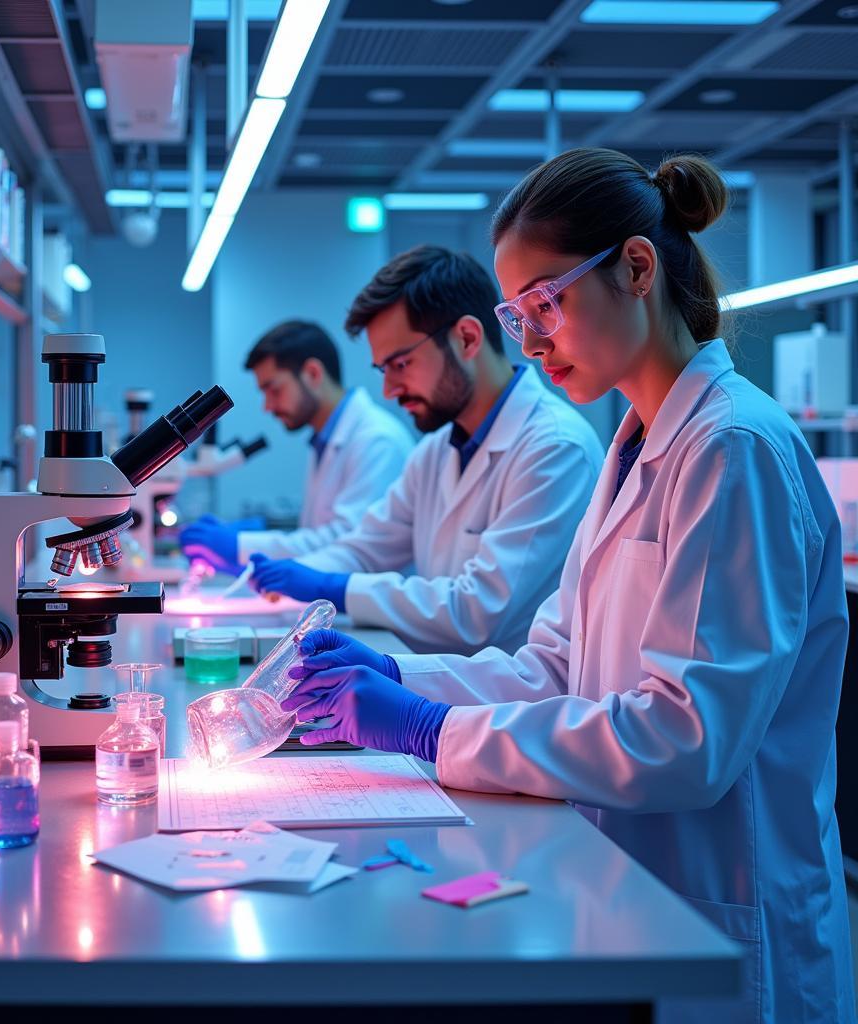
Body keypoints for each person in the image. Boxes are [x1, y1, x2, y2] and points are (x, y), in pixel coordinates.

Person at [282, 150, 856, 1023]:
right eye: (519, 315)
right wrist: (403, 682)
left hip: (727, 907)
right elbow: (556, 663)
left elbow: (687, 737)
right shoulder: (636, 443)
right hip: (630, 883)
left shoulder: (733, 447)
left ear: (636, 268)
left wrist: (433, 731)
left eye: (547, 303)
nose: (534, 339)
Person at [249, 245, 603, 655]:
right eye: (384, 370)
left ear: (467, 338)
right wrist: (298, 574)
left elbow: (476, 611)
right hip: (448, 694)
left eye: (400, 364)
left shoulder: (555, 448)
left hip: (513, 709)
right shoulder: (435, 451)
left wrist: (336, 588)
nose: (389, 389)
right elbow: (368, 547)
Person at [180, 320, 412, 571]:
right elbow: (318, 535)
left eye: (273, 389)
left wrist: (242, 545)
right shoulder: (324, 441)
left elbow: (349, 546)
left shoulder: (377, 441)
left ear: (313, 373)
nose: (267, 406)